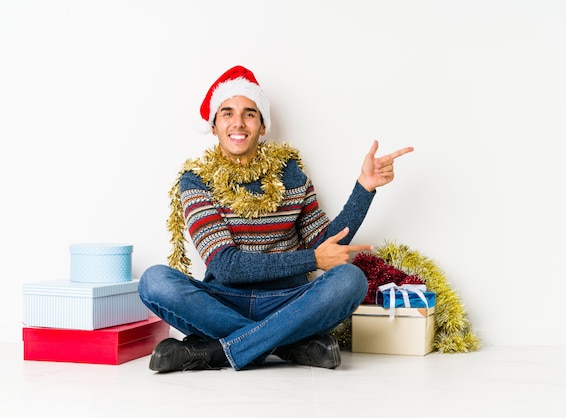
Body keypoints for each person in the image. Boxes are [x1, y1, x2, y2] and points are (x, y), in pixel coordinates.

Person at [139, 65, 413, 372]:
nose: (238, 122)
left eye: (249, 113)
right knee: (155, 281)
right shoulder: (196, 180)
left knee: (350, 280)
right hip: (223, 301)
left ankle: (217, 351)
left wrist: (364, 189)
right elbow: (226, 267)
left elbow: (326, 245)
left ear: (263, 125)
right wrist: (312, 260)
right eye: (227, 113)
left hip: (288, 299)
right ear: (214, 126)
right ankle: (290, 343)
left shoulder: (290, 173)